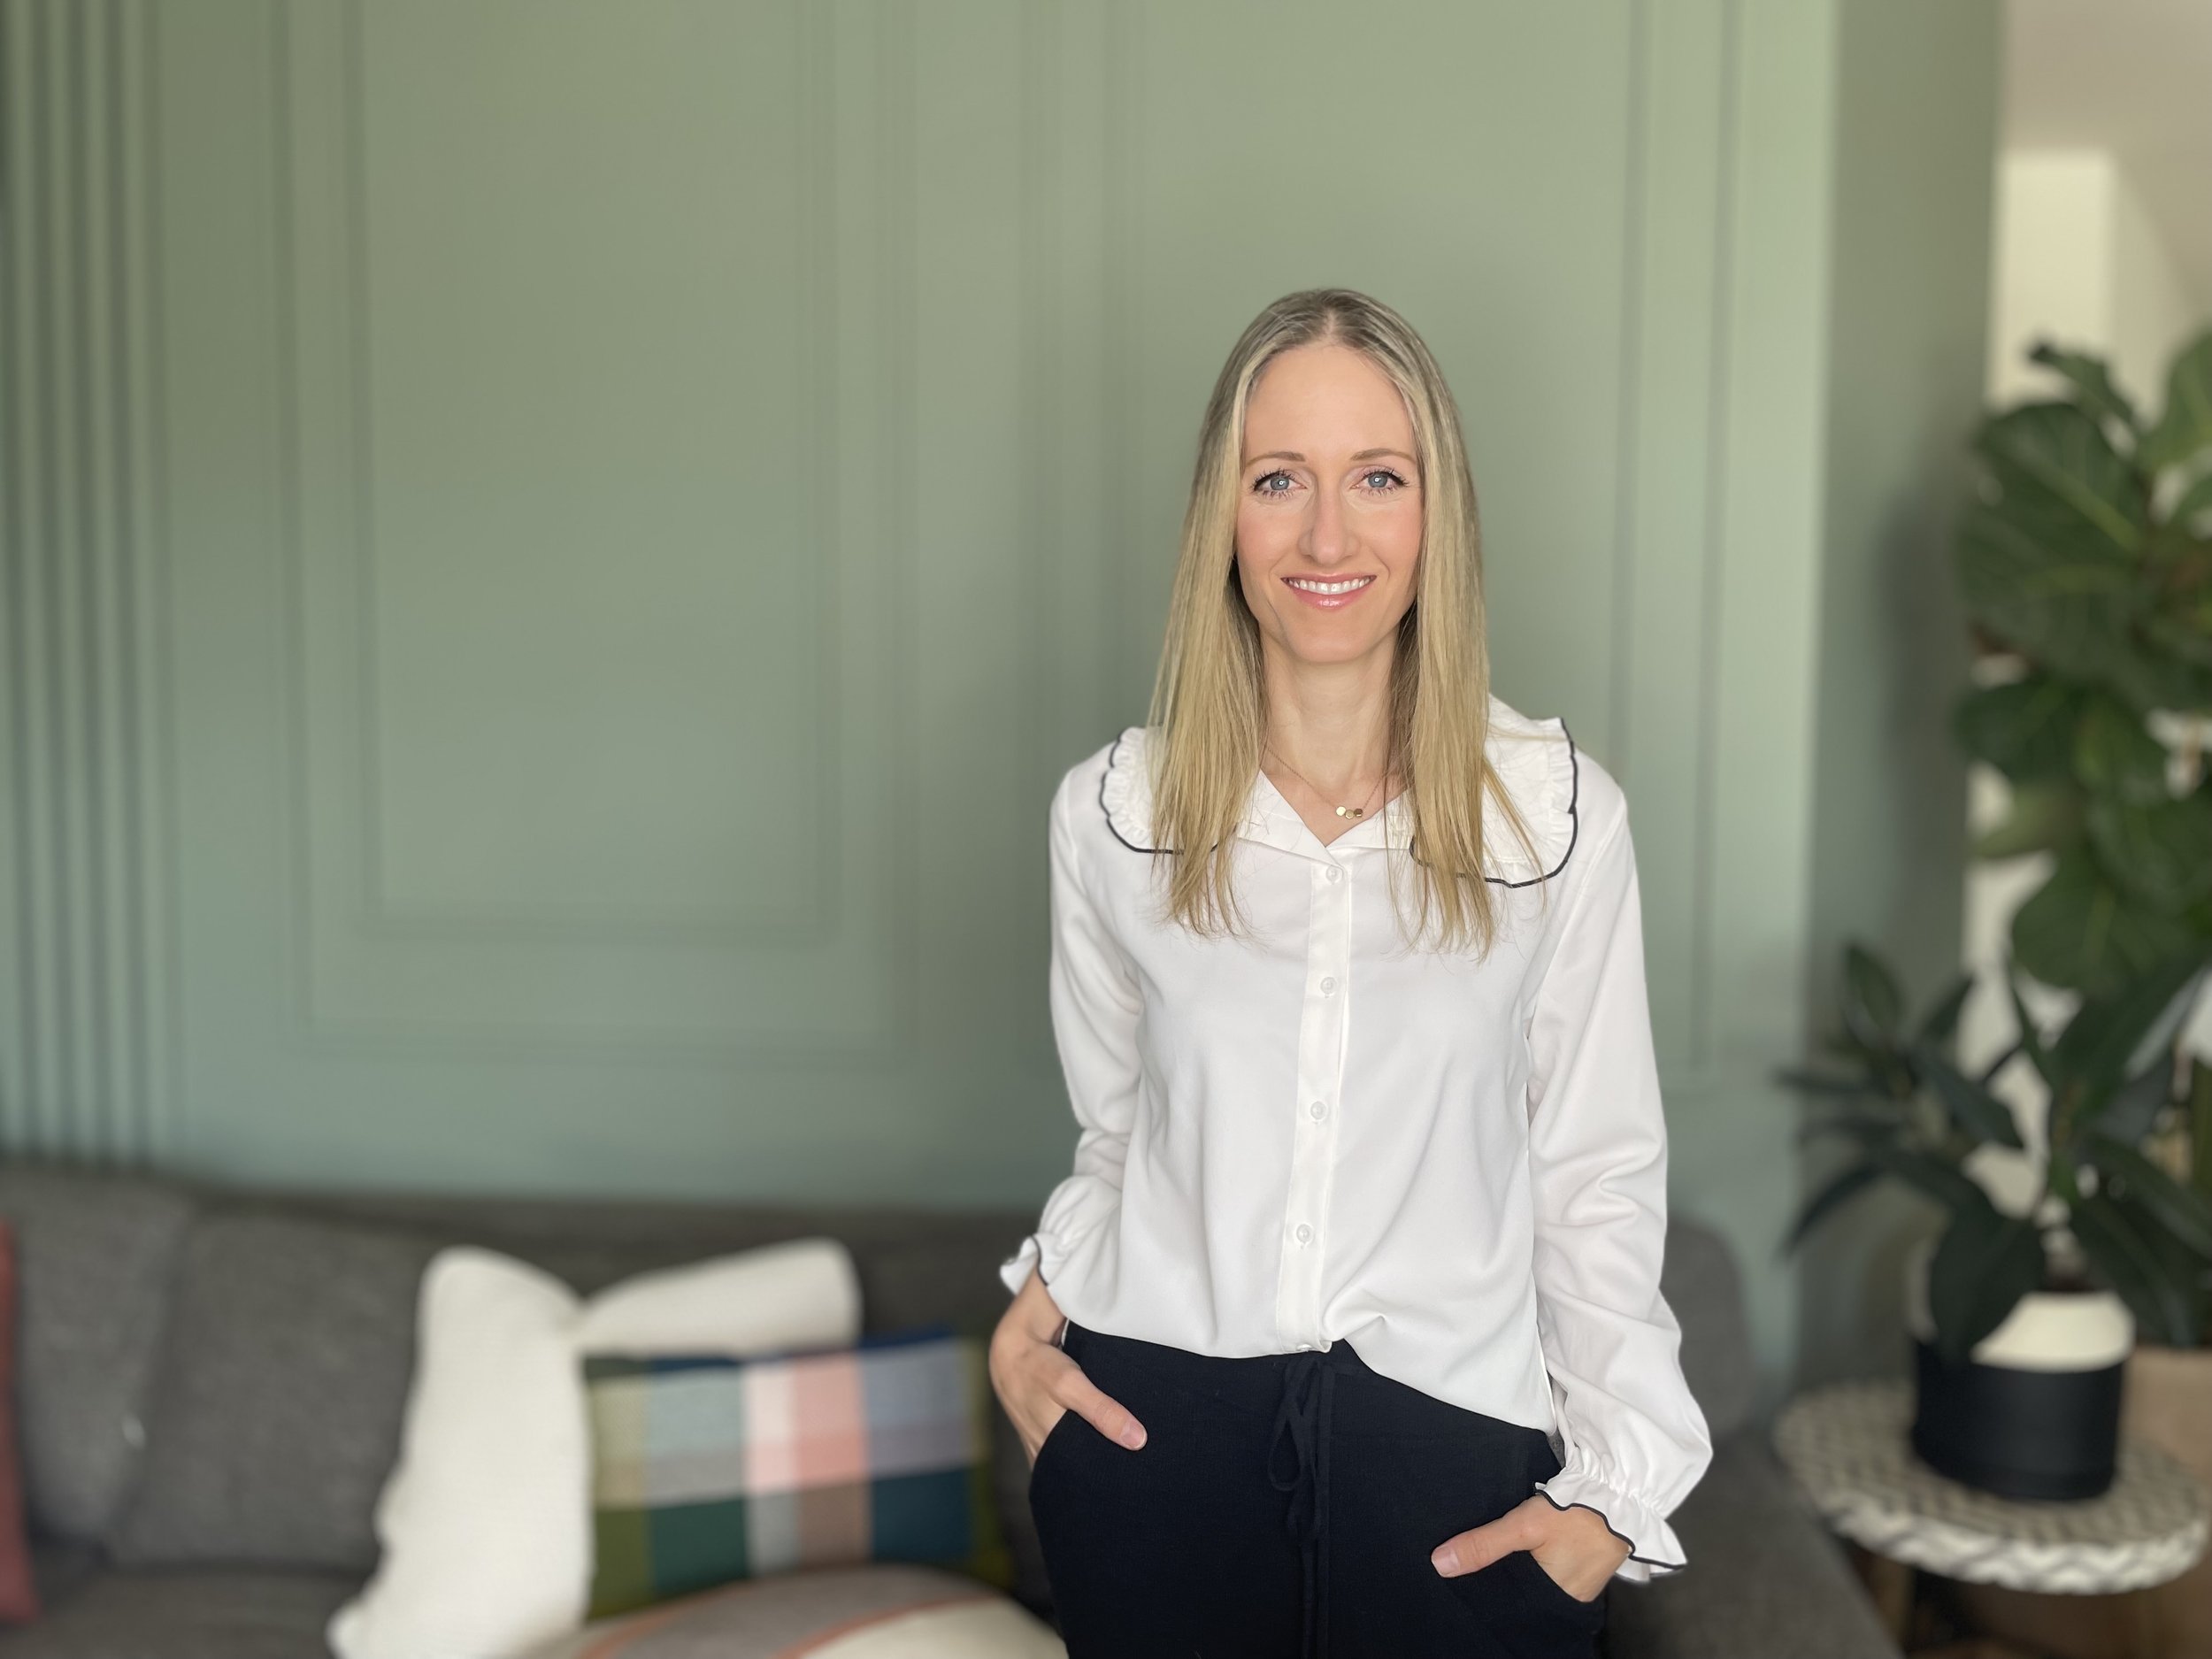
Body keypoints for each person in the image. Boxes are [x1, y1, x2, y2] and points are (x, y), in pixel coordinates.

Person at [987, 287, 1713, 1659]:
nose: (1329, 536)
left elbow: (1596, 1175)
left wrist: (1613, 1499)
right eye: (1280, 481)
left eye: (1378, 478)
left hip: (1451, 1478)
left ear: (1438, 515)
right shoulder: (1112, 817)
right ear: (1226, 518)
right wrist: (1025, 1327)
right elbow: (1124, 1131)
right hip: (1156, 1460)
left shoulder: (1556, 821)